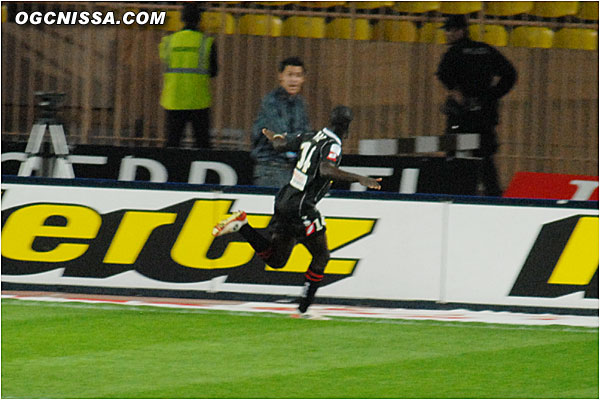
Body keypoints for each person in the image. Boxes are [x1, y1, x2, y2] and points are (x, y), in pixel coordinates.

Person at [212, 106, 381, 319]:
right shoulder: (333, 145)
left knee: (276, 260)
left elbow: (280, 144)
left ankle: (243, 226)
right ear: (346, 127)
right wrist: (359, 178)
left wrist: (272, 134)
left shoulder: (311, 136)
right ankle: (303, 310)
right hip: (302, 206)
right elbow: (325, 169)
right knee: (321, 255)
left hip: (285, 199)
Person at [436, 14, 517, 197]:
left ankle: (458, 195)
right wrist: (492, 95)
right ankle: (493, 197)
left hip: (461, 115)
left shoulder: (454, 53)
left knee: (456, 156)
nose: (447, 34)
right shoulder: (485, 50)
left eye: (449, 30)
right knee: (485, 157)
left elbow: (443, 75)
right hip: (484, 114)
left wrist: (456, 92)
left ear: (460, 31)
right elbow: (510, 74)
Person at [159, 3, 218, 149]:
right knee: (202, 144)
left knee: (172, 143)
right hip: (199, 100)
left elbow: (165, 62)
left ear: (181, 18)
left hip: (173, 99)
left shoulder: (168, 41)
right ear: (200, 19)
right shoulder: (206, 42)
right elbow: (213, 71)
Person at [251, 56, 311, 188]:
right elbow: (280, 135)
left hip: (293, 169)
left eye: (298, 75)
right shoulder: (270, 102)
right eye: (289, 75)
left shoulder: (301, 104)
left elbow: (306, 134)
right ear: (281, 77)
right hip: (271, 168)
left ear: (303, 79)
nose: (293, 80)